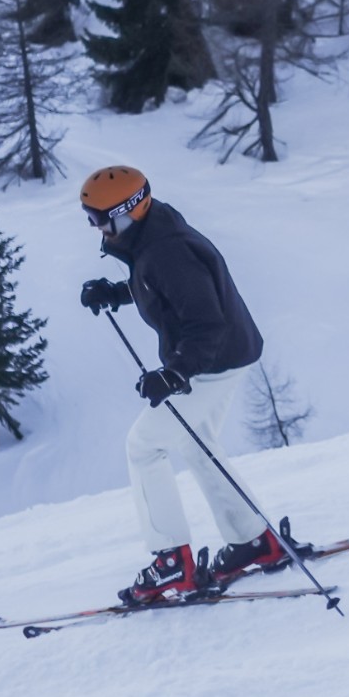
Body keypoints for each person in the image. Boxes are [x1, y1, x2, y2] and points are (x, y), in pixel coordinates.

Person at [76, 165, 288, 605]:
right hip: (223, 355)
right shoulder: (148, 238)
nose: (96, 228)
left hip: (214, 359)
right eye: (90, 218)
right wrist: (117, 293)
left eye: (100, 219)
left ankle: (172, 559)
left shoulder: (166, 250)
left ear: (129, 211)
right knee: (196, 444)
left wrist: (176, 373)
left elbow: (206, 322)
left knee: (144, 447)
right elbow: (162, 289)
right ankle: (253, 541)